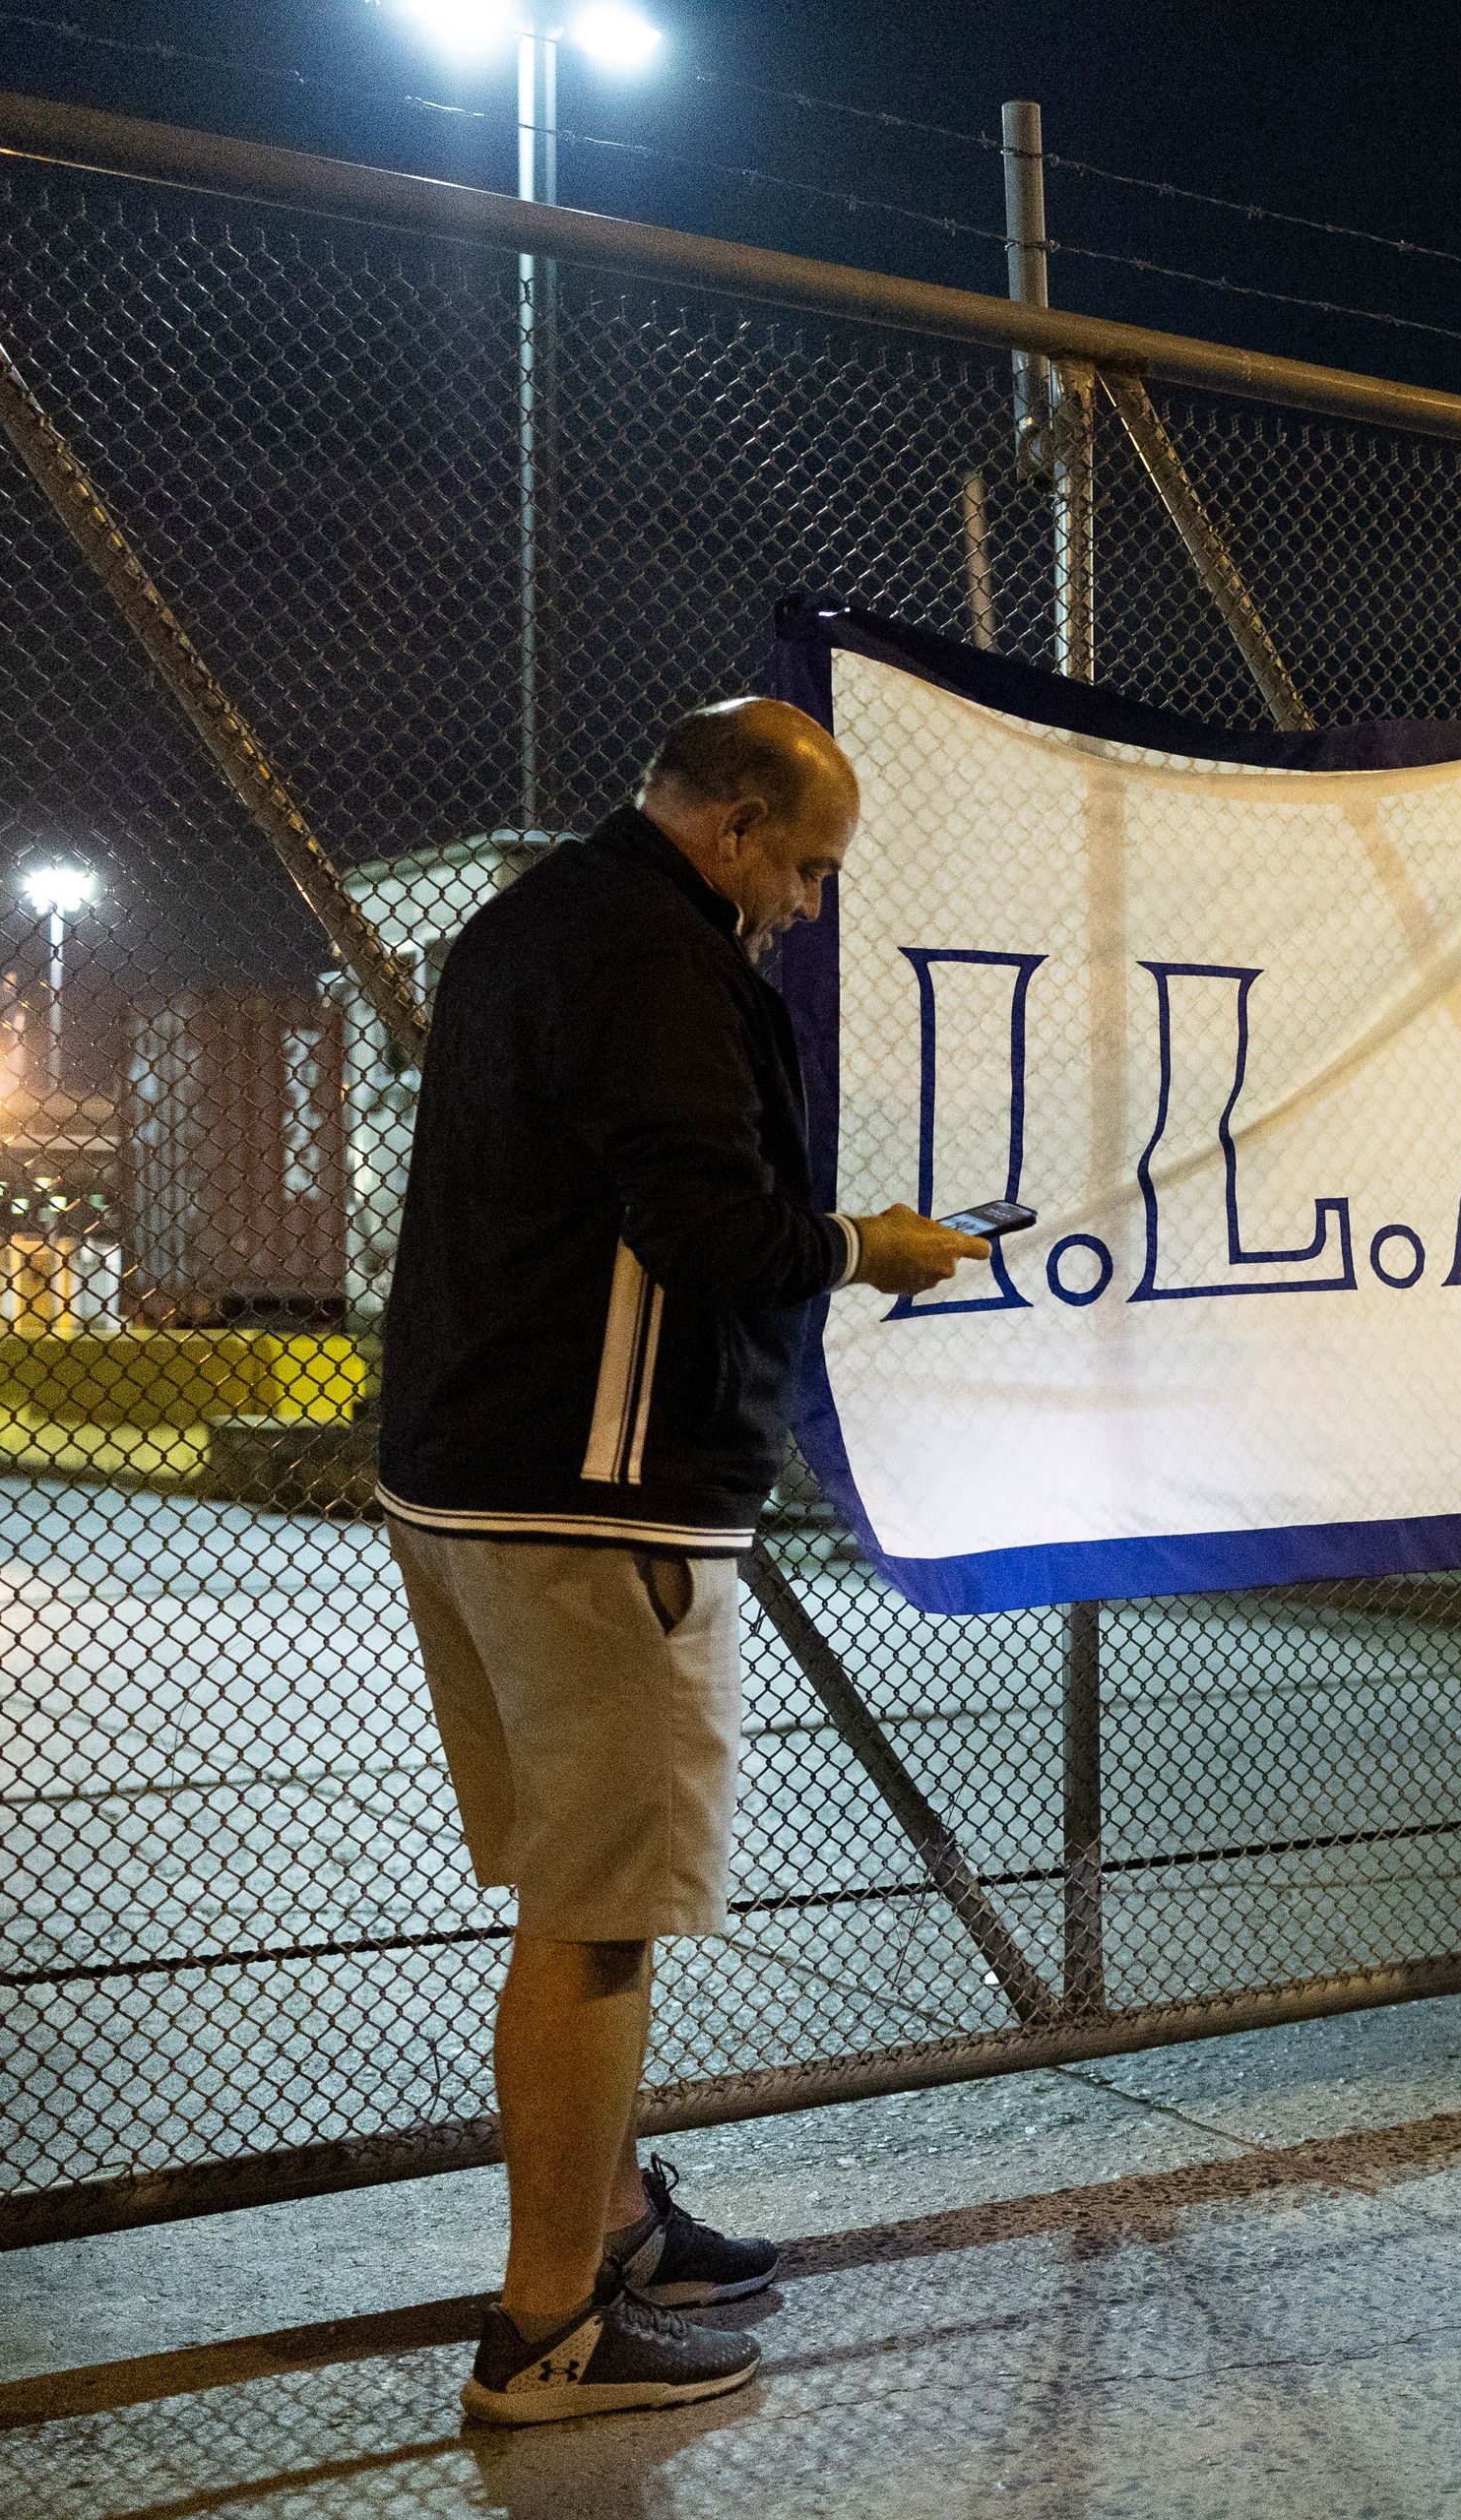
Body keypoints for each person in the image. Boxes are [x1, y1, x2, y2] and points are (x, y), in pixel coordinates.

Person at [377, 698, 988, 2424]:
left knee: (576, 1897)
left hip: (474, 1479)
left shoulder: (536, 917)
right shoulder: (662, 959)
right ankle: (549, 2327)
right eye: (802, 867)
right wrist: (873, 1245)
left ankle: (618, 2224)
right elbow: (706, 1229)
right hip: (597, 1504)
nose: (804, 904)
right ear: (728, 824)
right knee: (601, 1924)